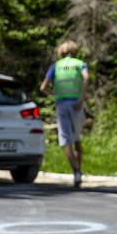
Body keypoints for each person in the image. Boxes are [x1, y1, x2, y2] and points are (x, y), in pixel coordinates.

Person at [39, 40, 89, 187]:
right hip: (76, 104)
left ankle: (76, 172)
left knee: (66, 139)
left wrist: (54, 95)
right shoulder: (80, 64)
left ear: (61, 52)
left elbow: (43, 87)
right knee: (77, 138)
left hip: (61, 104)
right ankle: (79, 169)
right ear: (74, 51)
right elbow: (86, 78)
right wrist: (82, 98)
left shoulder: (56, 66)